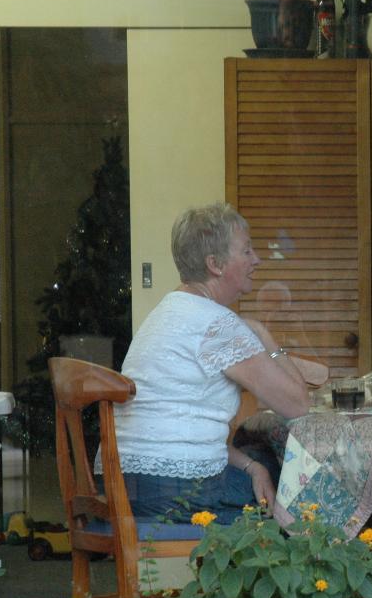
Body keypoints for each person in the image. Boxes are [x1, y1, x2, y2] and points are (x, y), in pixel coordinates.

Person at [111, 203, 321, 527]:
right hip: (171, 492)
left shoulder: (167, 312)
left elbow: (188, 435)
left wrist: (252, 467)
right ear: (215, 265)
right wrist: (263, 333)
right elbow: (297, 404)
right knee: (294, 479)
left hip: (124, 484)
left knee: (258, 462)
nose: (257, 260)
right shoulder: (216, 325)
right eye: (246, 251)